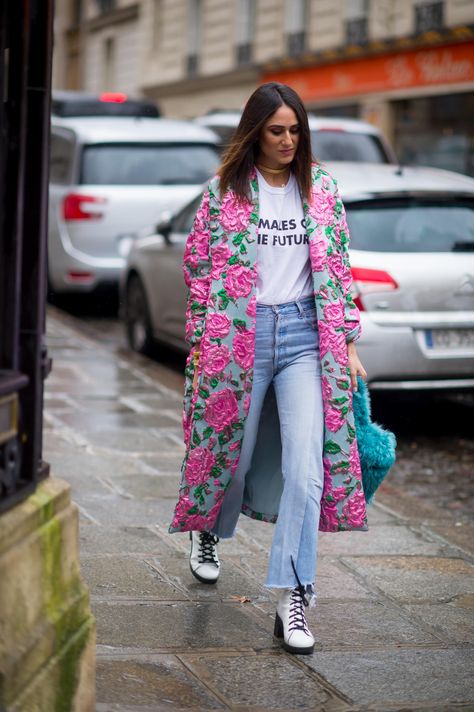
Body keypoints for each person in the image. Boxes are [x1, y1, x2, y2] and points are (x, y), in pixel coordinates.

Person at [169, 82, 368, 655]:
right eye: (276, 130)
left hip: (307, 337)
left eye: (295, 129)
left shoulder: (323, 189)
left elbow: (339, 270)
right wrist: (205, 336)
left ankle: (293, 596)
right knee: (231, 457)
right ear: (254, 132)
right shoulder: (224, 193)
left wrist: (348, 342)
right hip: (240, 338)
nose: (287, 140)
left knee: (307, 472)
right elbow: (199, 268)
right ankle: (208, 530)